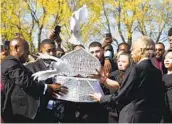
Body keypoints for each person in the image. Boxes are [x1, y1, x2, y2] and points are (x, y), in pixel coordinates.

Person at [89, 36, 165, 123]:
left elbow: (121, 96)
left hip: (132, 117)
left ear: (141, 50)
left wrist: (102, 98)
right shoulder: (157, 72)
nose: (131, 53)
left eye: (133, 49)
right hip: (149, 117)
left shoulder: (135, 69)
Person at [1, 37, 66, 123]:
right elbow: (24, 81)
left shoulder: (16, 64)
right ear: (16, 48)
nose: (28, 53)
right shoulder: (10, 63)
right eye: (27, 50)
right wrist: (47, 88)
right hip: (16, 114)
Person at [163, 49, 172, 122]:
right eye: (165, 58)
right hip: (164, 109)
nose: (167, 60)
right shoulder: (161, 76)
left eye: (170, 58)